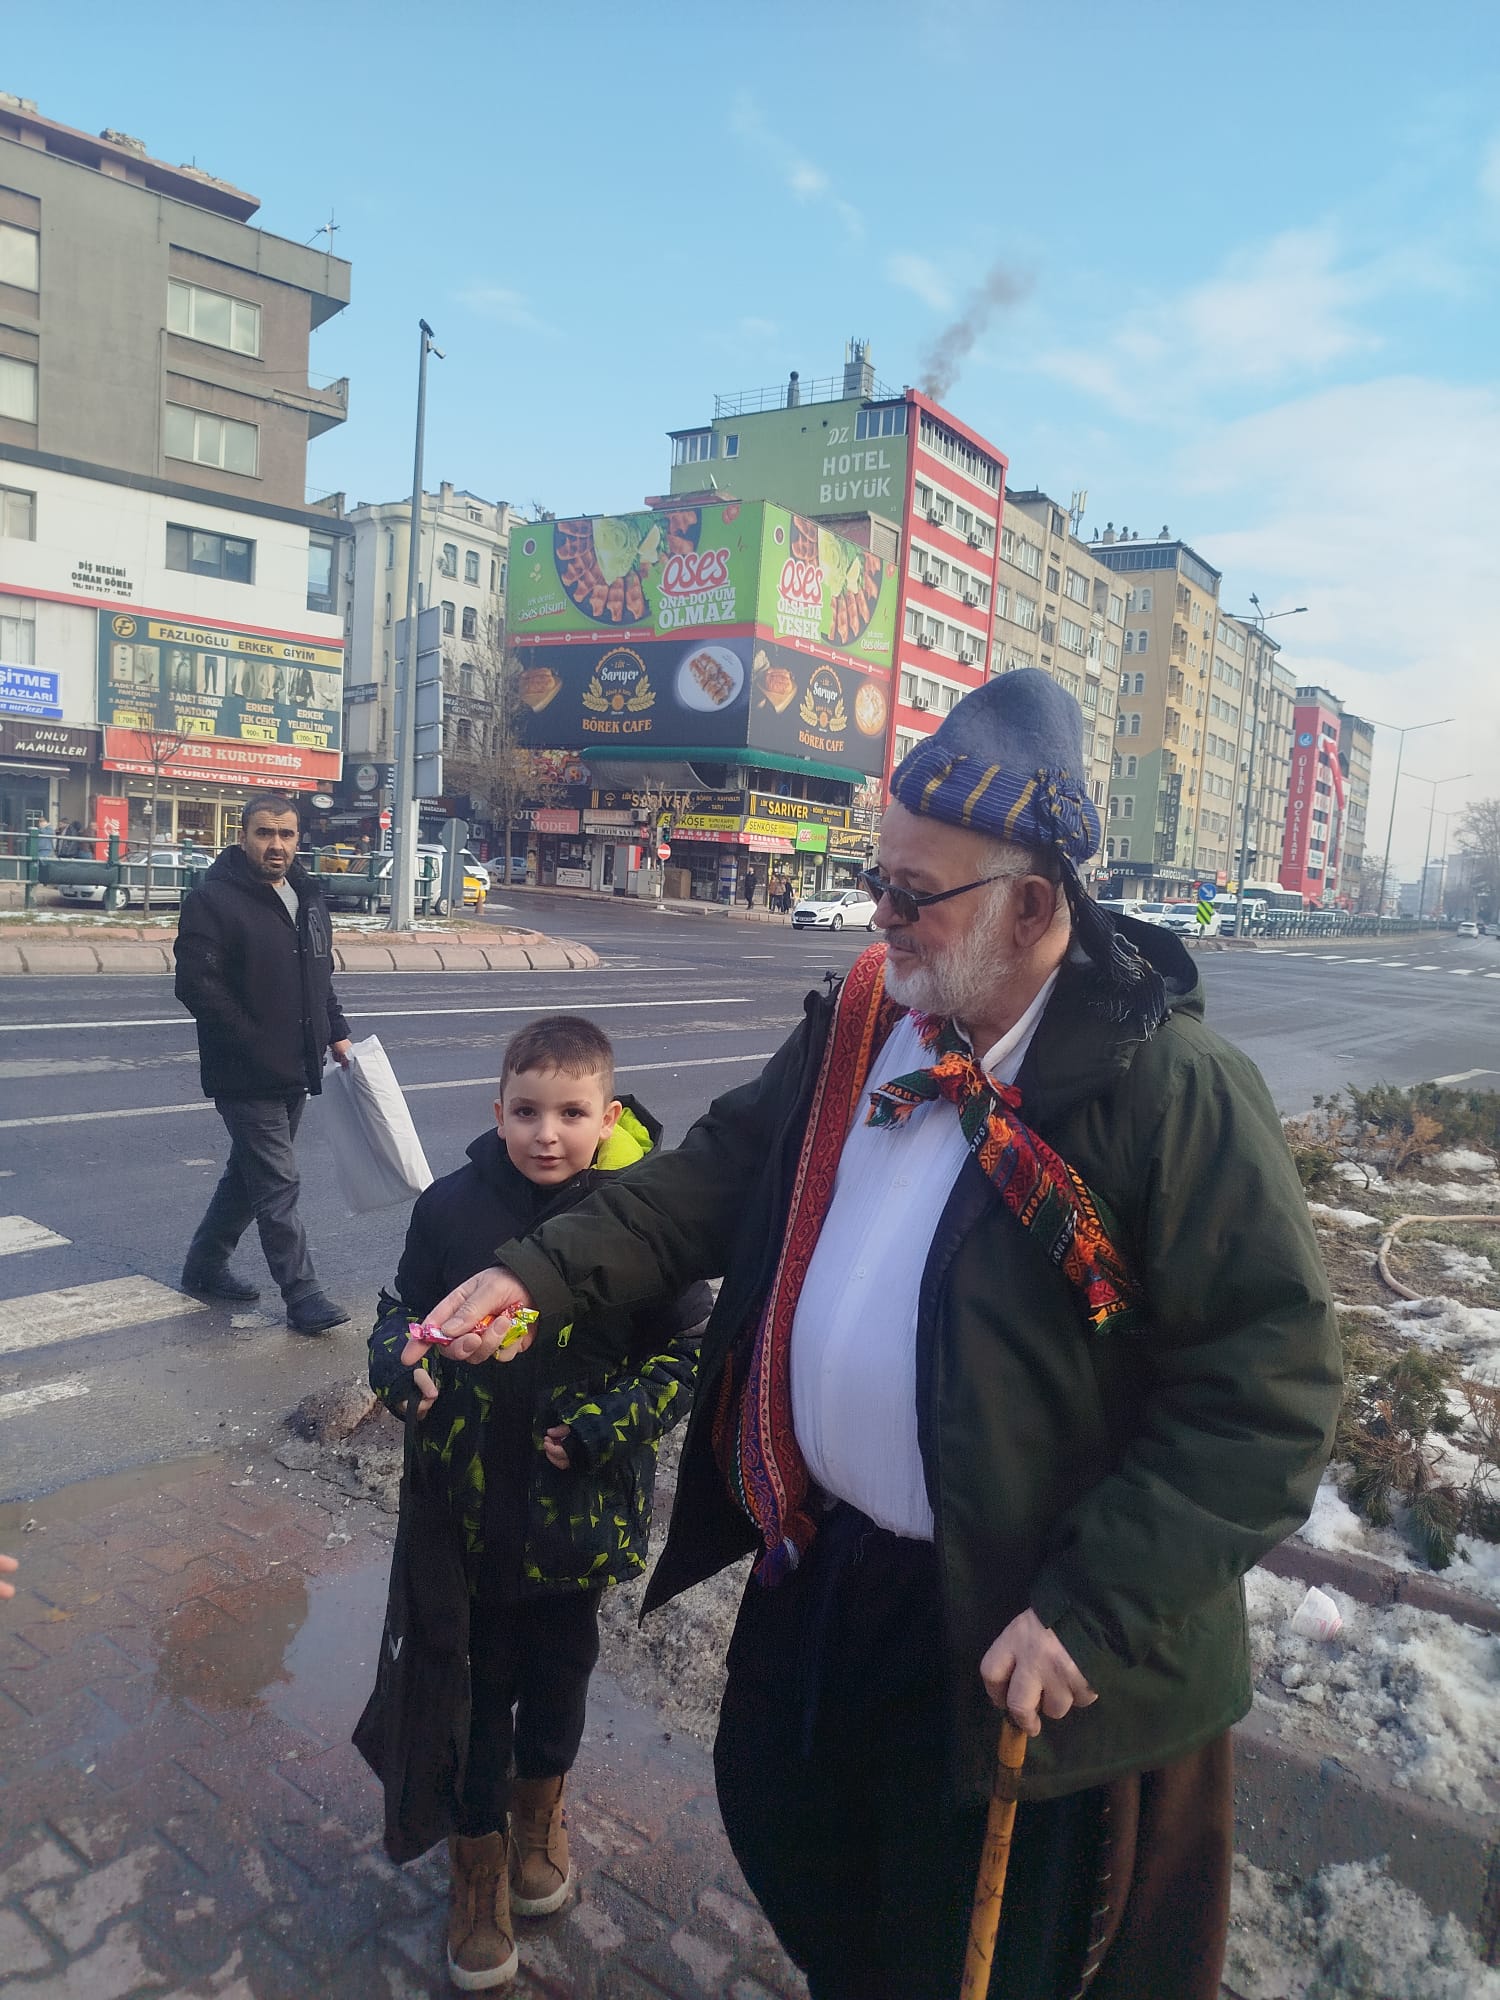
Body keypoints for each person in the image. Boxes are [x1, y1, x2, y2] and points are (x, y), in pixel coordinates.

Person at [418, 670, 1342, 2000]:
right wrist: (539, 1273)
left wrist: (1090, 1612)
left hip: (1015, 1635)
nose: (880, 915)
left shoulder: (1168, 1091)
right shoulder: (873, 1023)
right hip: (837, 1571)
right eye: (878, 878)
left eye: (915, 892)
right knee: (796, 1838)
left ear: (1033, 905)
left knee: (972, 1952)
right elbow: (719, 1173)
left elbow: (1274, 1390)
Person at [372, 1015, 709, 1992]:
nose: (547, 1132)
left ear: (608, 1117)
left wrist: (608, 1423)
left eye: (571, 1112)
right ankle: (475, 1865)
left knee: (559, 1680)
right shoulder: (450, 1209)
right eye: (527, 1110)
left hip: (577, 1524)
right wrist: (396, 1367)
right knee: (473, 1691)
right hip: (462, 1519)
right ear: (498, 1111)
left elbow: (690, 1349)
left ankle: (540, 1814)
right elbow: (402, 1311)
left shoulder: (638, 1223)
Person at [173, 790, 352, 1334]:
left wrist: (338, 1034)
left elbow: (318, 978)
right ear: (244, 835)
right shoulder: (213, 900)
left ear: (299, 839)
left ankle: (204, 1265)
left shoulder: (307, 896)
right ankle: (303, 1296)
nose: (277, 845)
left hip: (297, 1067)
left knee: (248, 1175)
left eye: (287, 834)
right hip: (245, 1070)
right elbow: (197, 986)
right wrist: (252, 1040)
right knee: (278, 1182)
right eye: (264, 833)